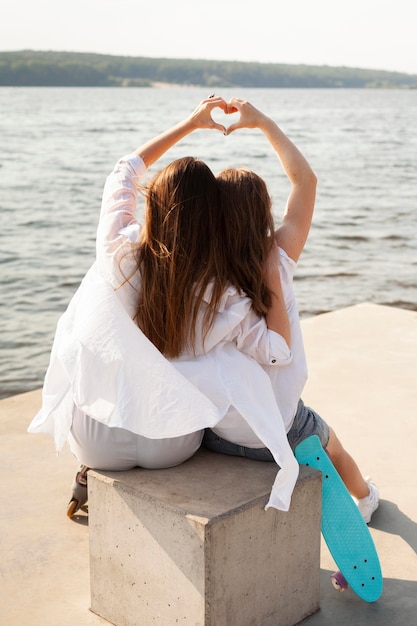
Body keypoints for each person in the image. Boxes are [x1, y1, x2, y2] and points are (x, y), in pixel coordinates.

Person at [28, 96, 300, 517]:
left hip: (97, 439)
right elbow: (277, 349)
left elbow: (124, 170)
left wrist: (191, 123)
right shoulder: (223, 292)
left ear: (154, 202)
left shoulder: (118, 252)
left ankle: (84, 474)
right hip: (171, 443)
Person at [201, 97, 379, 524]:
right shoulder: (277, 257)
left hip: (218, 434)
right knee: (332, 443)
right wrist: (261, 121)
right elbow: (305, 180)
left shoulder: (205, 273)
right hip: (281, 431)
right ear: (263, 213)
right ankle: (367, 497)